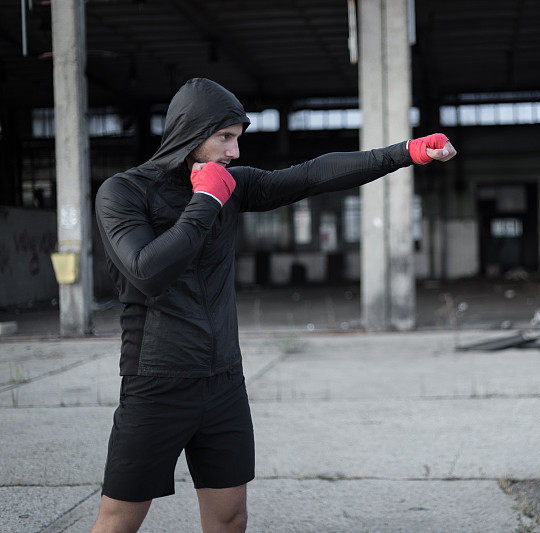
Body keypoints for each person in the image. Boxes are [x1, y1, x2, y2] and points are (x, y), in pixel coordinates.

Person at [92, 77, 456, 532]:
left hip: (223, 380)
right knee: (121, 519)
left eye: (237, 140)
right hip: (156, 382)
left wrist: (404, 152)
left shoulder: (233, 184)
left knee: (230, 517)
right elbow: (148, 271)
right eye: (225, 138)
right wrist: (205, 200)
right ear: (190, 132)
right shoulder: (123, 193)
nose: (234, 152)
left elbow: (310, 175)